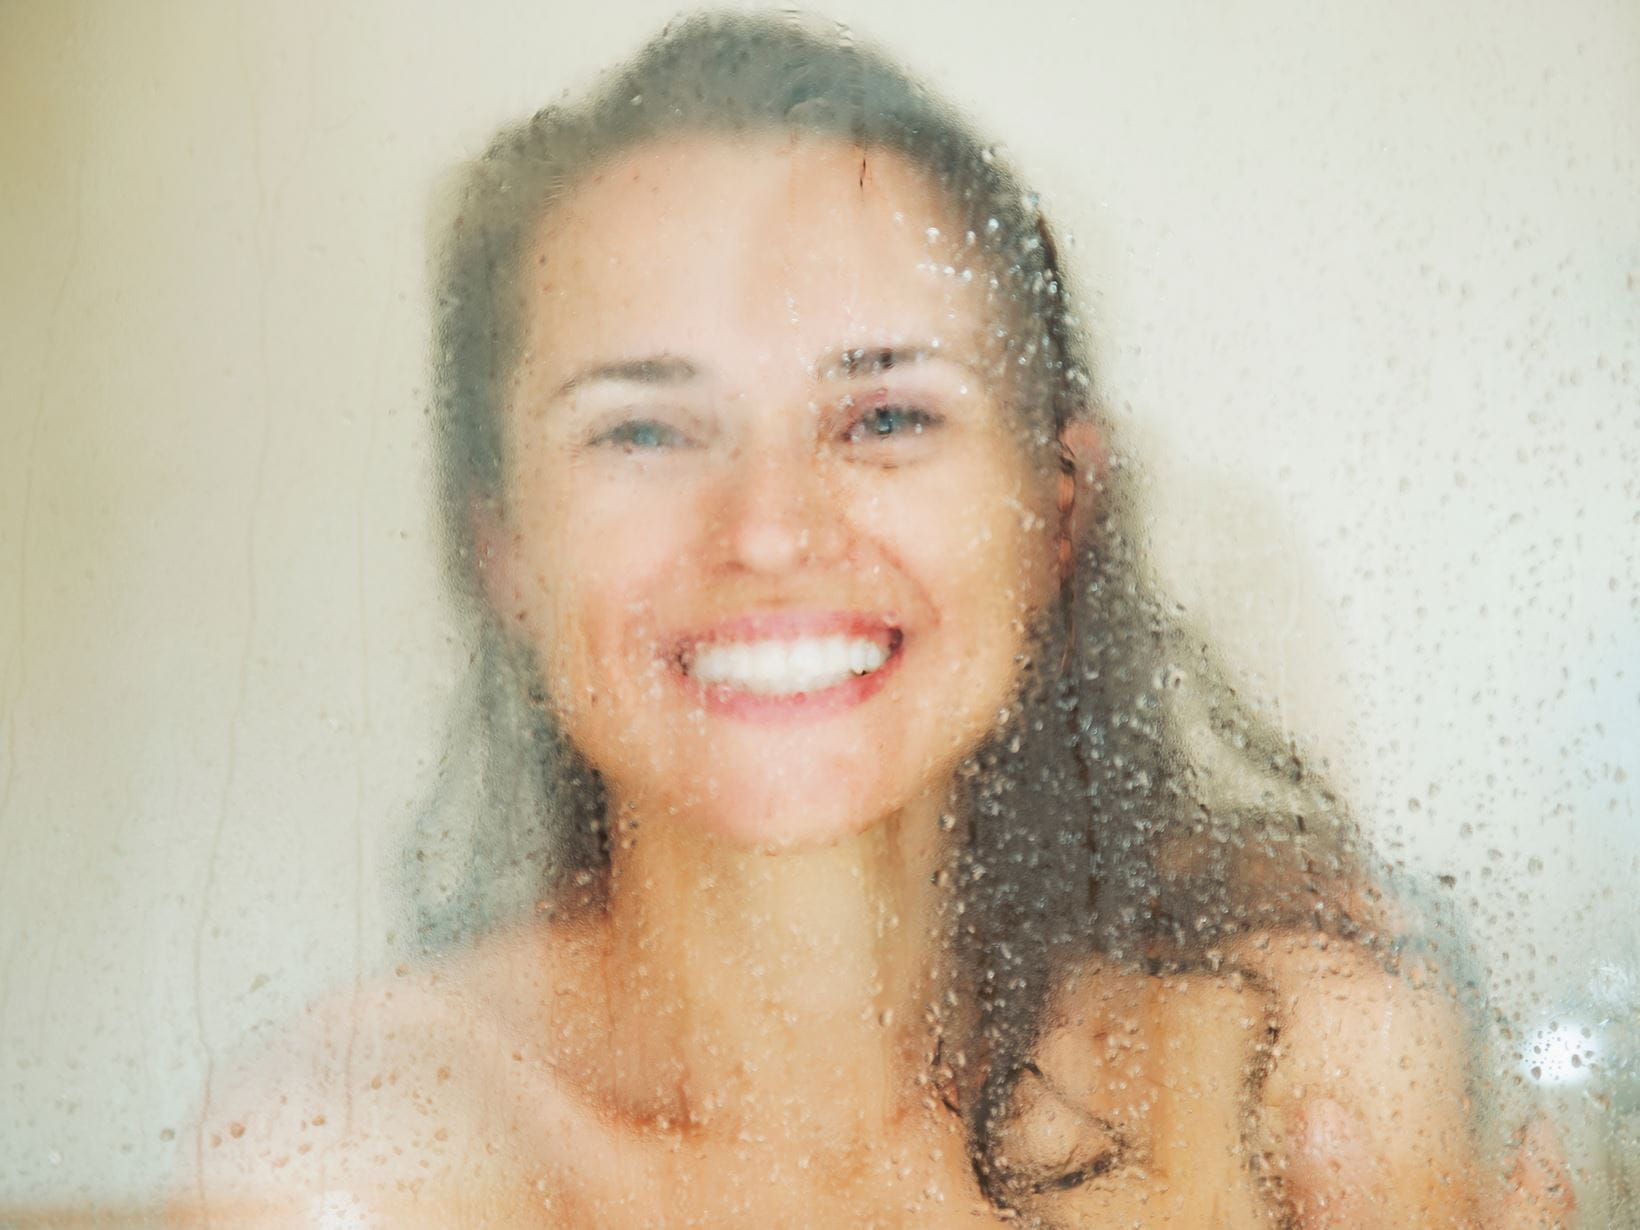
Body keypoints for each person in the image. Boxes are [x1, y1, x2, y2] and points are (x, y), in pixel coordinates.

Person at [173, 12, 1574, 1227]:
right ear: (508, 552)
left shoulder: (1300, 1060)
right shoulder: (367, 1150)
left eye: (887, 414)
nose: (771, 528)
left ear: (1055, 516)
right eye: (647, 429)